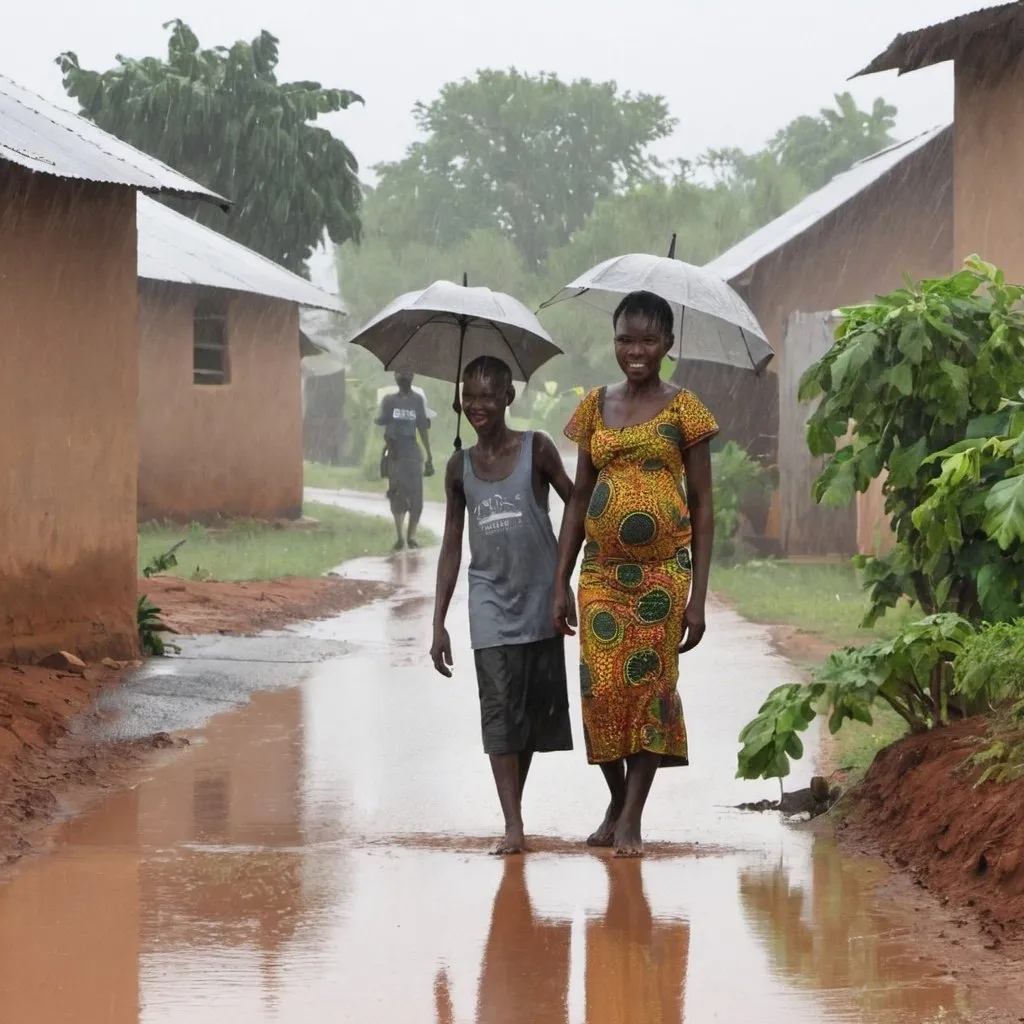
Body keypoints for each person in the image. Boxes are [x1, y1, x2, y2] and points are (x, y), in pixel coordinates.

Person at [553, 290, 717, 857]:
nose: (636, 350)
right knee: (601, 690)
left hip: (663, 576)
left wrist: (698, 598)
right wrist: (560, 581)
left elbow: (702, 503)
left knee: (648, 688)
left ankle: (632, 818)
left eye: (649, 339)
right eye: (626, 338)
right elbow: (577, 498)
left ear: (668, 344)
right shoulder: (595, 406)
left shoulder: (685, 410)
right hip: (601, 573)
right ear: (614, 342)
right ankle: (618, 798)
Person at [431, 355, 574, 855]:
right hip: (488, 604)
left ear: (508, 398)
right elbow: (452, 546)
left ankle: (515, 808)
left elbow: (574, 505)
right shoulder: (459, 467)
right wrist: (439, 622)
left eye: (488, 396)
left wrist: (564, 581)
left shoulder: (538, 450)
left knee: (530, 718)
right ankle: (513, 825)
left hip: (540, 604)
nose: (478, 406)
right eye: (469, 397)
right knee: (498, 711)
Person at [376, 371, 434, 550]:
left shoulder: (418, 401)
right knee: (397, 494)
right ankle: (400, 537)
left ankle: (411, 536)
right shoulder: (389, 401)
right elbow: (382, 422)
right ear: (395, 378)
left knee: (416, 497)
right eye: (401, 374)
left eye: (407, 374)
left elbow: (423, 429)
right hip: (395, 453)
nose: (404, 378)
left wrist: (429, 456)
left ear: (412, 377)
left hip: (412, 453)